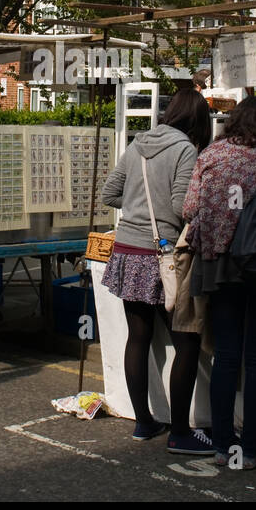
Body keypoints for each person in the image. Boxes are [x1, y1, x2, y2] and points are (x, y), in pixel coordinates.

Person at [183, 95, 256, 469]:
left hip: (221, 265)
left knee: (226, 357)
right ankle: (250, 449)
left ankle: (221, 447)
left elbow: (188, 209)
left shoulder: (212, 155)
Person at [101, 88, 213, 454]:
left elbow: (109, 193)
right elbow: (184, 207)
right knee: (187, 342)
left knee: (138, 338)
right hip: (162, 255)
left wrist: (135, 207)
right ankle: (180, 432)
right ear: (197, 120)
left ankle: (144, 423)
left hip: (127, 249)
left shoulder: (137, 144)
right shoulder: (185, 150)